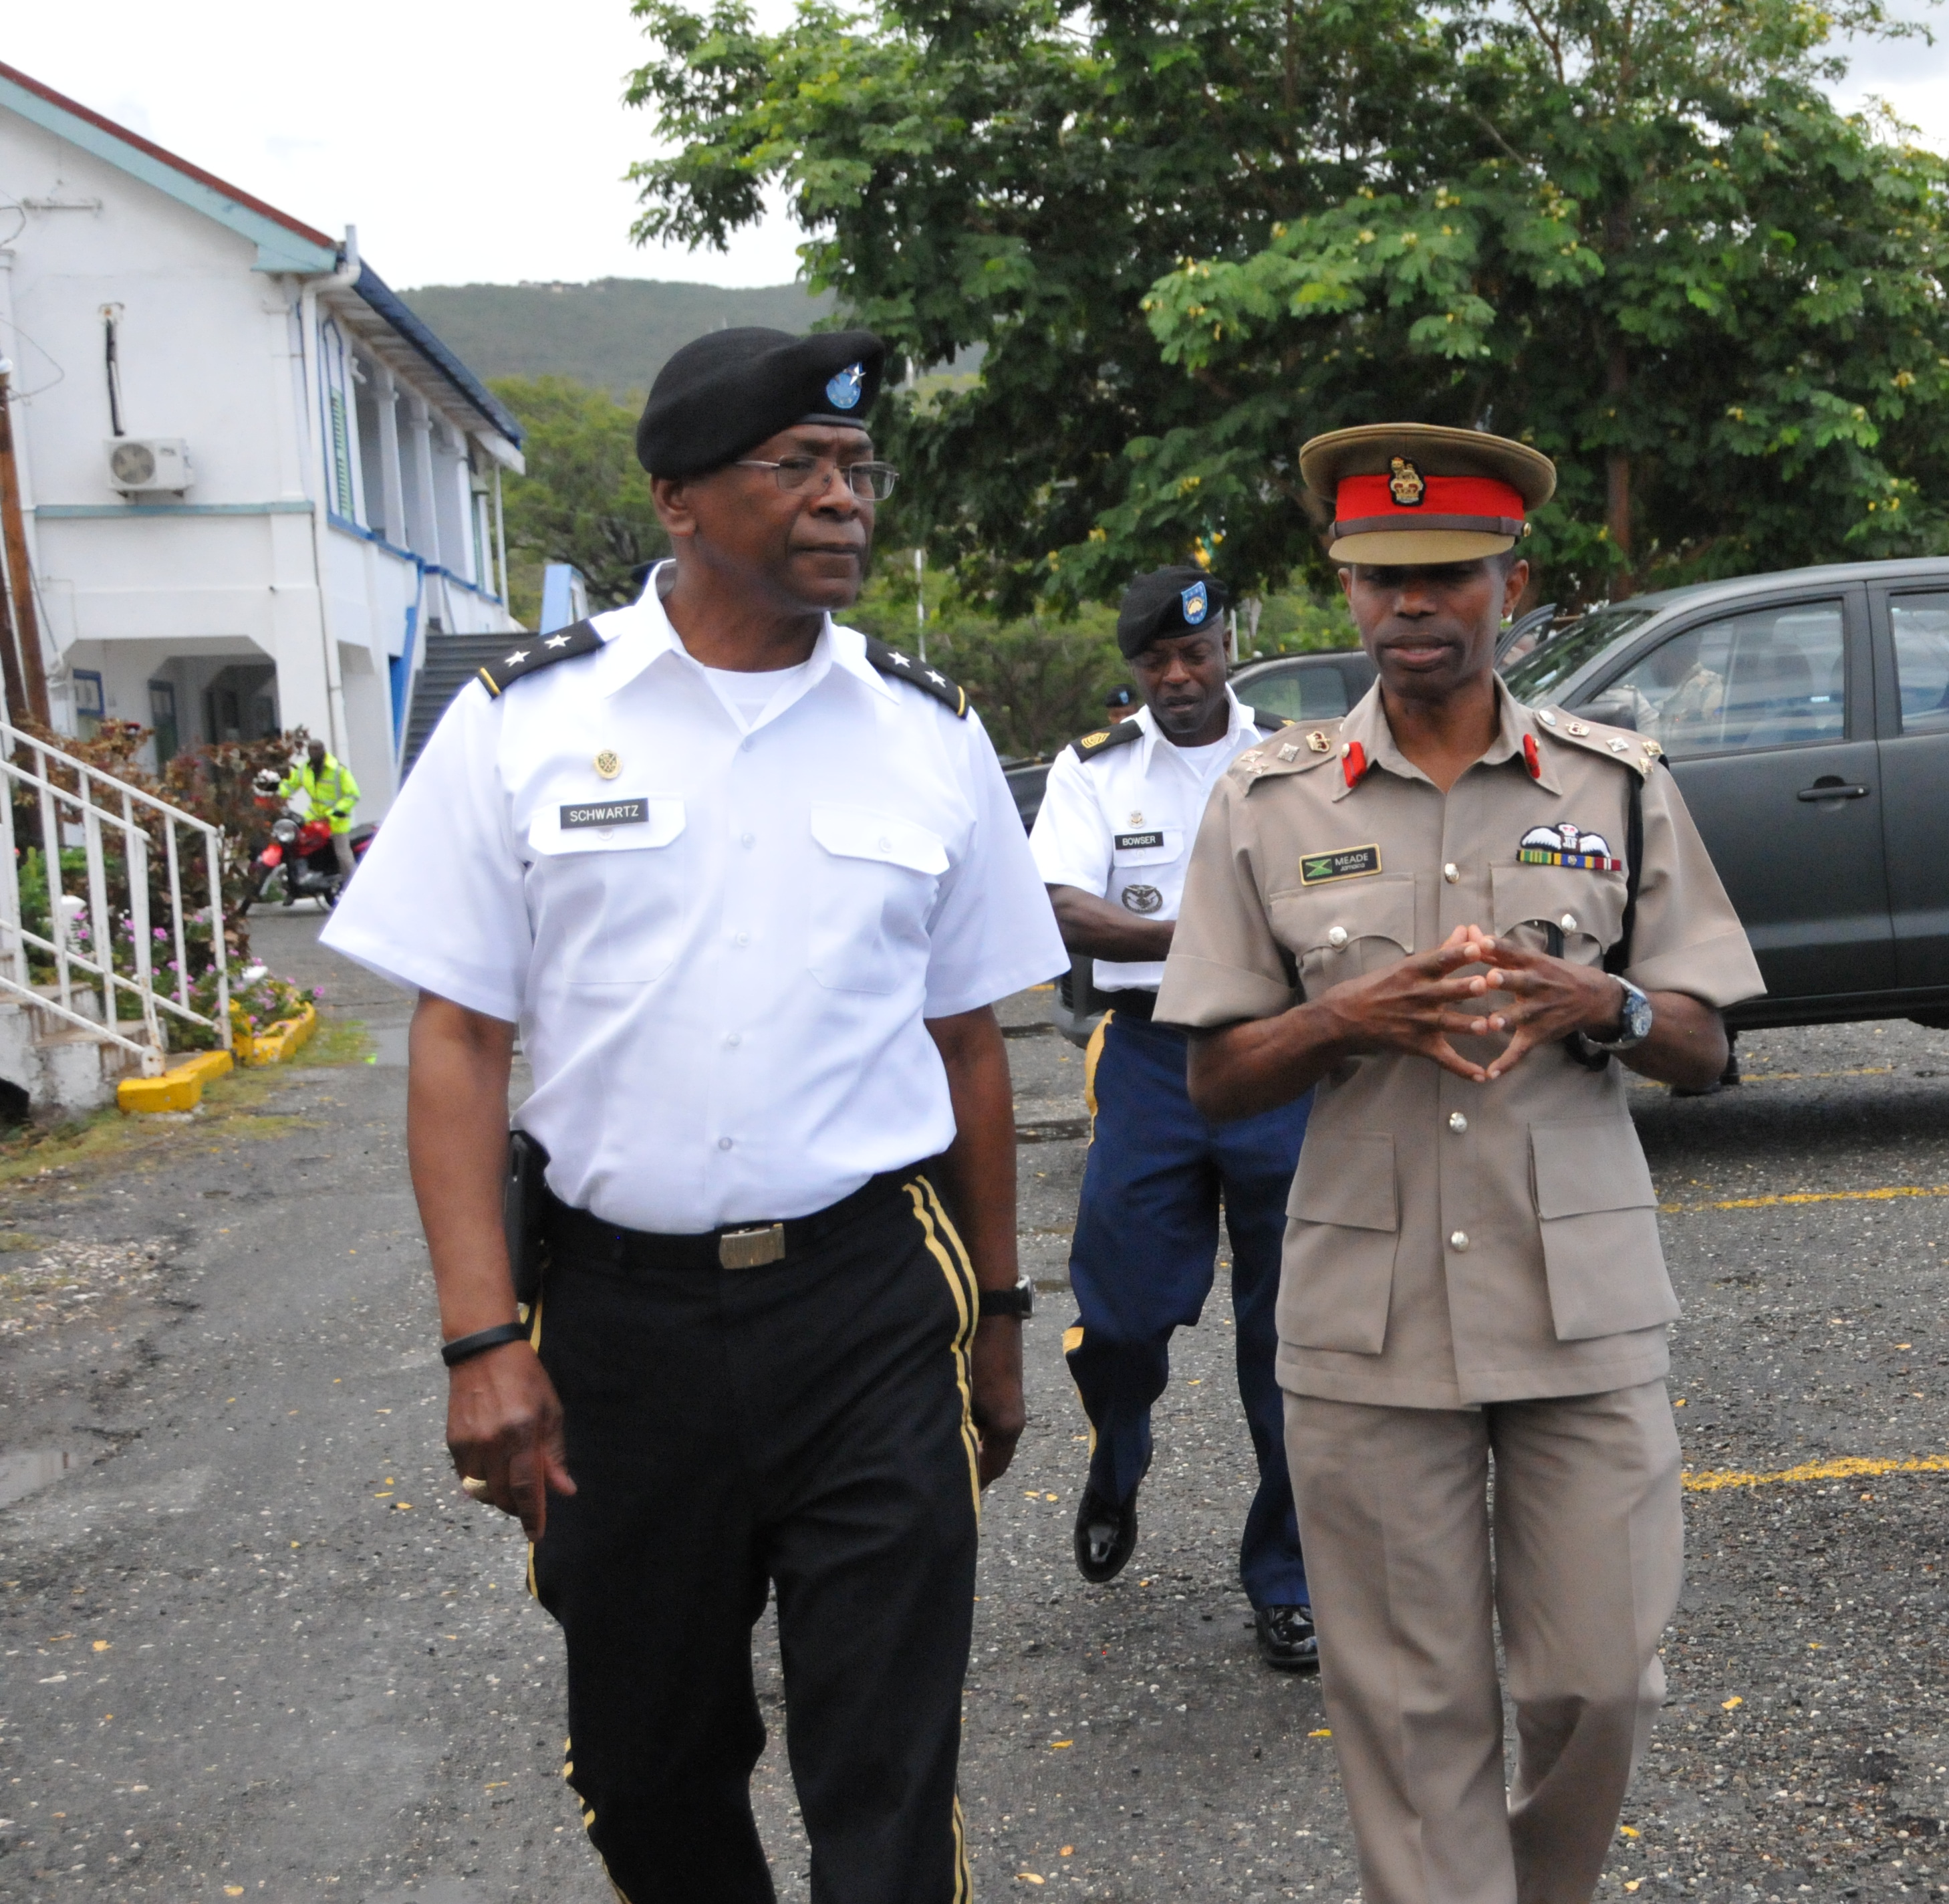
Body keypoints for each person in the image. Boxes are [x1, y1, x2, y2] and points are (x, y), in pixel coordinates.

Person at [319, 324, 1063, 1904]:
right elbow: (459, 1038)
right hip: (618, 1322)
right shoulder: (525, 718)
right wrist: (479, 1338)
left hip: (870, 1299)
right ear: (676, 498)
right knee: (646, 1762)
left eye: (857, 467)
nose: (842, 497)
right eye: (797, 465)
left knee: (885, 1768)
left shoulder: (926, 734)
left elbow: (971, 1044)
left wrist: (999, 1315)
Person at [1156, 423, 1765, 1904]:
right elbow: (1214, 1076)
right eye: (1381, 577)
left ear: (1513, 583)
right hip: (1366, 1322)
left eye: (1447, 573)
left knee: (1599, 1674)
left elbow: (1705, 1042)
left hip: (1577, 1302)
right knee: (1408, 1705)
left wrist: (1602, 1002)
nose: (1412, 604)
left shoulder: (1615, 784)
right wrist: (1343, 1017)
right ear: (1345, 589)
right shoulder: (1267, 800)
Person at [1026, 566, 1316, 1667]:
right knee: (1121, 1315)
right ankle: (1118, 1451)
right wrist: (1206, 941)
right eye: (1158, 661)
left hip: (1280, 1051)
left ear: (1227, 647)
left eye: (1196, 654)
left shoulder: (1298, 758)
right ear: (1136, 670)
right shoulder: (1095, 769)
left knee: (1293, 1329)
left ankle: (1287, 1576)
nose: (1180, 675)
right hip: (1150, 1055)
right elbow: (1062, 903)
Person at [277, 737, 362, 884]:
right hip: (314, 818)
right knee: (298, 846)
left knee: (342, 855)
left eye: (317, 749)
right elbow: (289, 786)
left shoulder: (338, 770)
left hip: (336, 821)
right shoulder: (304, 769)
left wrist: (334, 813)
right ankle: (303, 879)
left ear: (323, 750)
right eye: (311, 750)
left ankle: (353, 886)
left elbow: (353, 795)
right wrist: (275, 794)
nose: (314, 752)